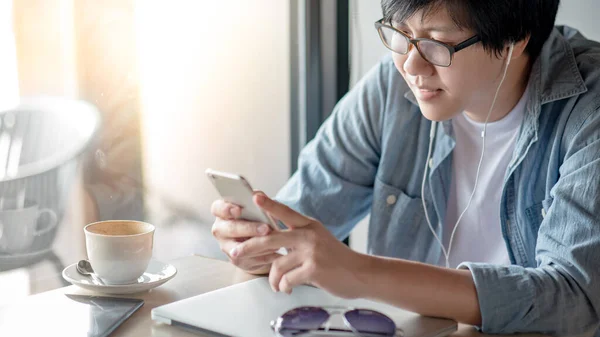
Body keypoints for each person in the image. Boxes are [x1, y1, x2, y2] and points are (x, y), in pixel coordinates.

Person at [211, 0, 600, 335]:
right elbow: (301, 218)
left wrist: (358, 272)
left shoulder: (588, 113)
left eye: (437, 43)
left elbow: (573, 299)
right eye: (400, 33)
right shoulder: (391, 88)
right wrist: (261, 242)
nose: (411, 64)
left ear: (514, 41)